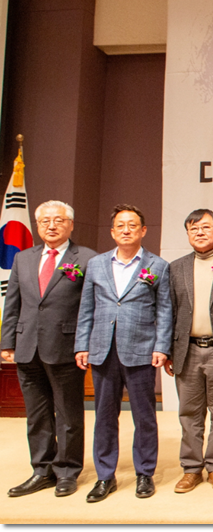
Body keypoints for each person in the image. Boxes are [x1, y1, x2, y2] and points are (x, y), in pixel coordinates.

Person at [74, 204, 173, 502]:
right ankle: (105, 476)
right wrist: (82, 344)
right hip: (103, 350)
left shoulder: (158, 266)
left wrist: (162, 346)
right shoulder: (97, 264)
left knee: (144, 416)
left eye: (132, 225)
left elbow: (165, 310)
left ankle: (145, 473)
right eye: (120, 225)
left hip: (141, 350)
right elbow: (87, 308)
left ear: (143, 230)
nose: (126, 230)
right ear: (112, 231)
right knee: (104, 416)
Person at [1, 201, 97, 498]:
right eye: (45, 221)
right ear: (38, 225)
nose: (51, 225)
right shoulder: (23, 258)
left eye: (58, 220)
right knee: (37, 414)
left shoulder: (87, 258)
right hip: (26, 346)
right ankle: (42, 470)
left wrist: (85, 344)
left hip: (66, 347)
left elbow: (91, 307)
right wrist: (7, 342)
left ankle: (67, 471)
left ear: (70, 224)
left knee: (68, 414)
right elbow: (13, 302)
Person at [165, 209, 213, 493]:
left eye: (206, 227)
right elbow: (168, 311)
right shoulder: (176, 267)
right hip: (187, 350)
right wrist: (168, 350)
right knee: (189, 413)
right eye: (193, 229)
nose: (200, 232)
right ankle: (191, 468)